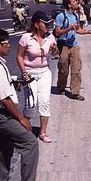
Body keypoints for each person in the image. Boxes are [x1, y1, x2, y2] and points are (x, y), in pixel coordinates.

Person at [0, 28, 47, 181]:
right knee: (30, 143)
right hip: (1, 114)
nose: (9, 46)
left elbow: (1, 88)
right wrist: (21, 118)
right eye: (6, 43)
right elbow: (5, 99)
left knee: (1, 150)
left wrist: (13, 82)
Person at [16, 11, 58, 144]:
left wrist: (54, 50)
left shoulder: (50, 38)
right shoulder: (26, 38)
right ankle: (25, 132)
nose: (47, 26)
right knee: (31, 103)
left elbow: (55, 53)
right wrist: (23, 72)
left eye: (48, 23)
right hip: (29, 73)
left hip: (44, 72)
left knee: (45, 102)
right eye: (44, 23)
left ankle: (43, 133)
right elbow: (19, 56)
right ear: (36, 24)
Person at [55, 0, 91, 101]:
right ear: (69, 5)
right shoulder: (61, 16)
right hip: (64, 46)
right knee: (63, 69)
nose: (77, 3)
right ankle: (61, 86)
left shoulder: (76, 15)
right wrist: (69, 28)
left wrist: (88, 32)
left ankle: (75, 92)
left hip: (74, 46)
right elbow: (57, 32)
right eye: (74, 2)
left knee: (76, 69)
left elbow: (78, 29)